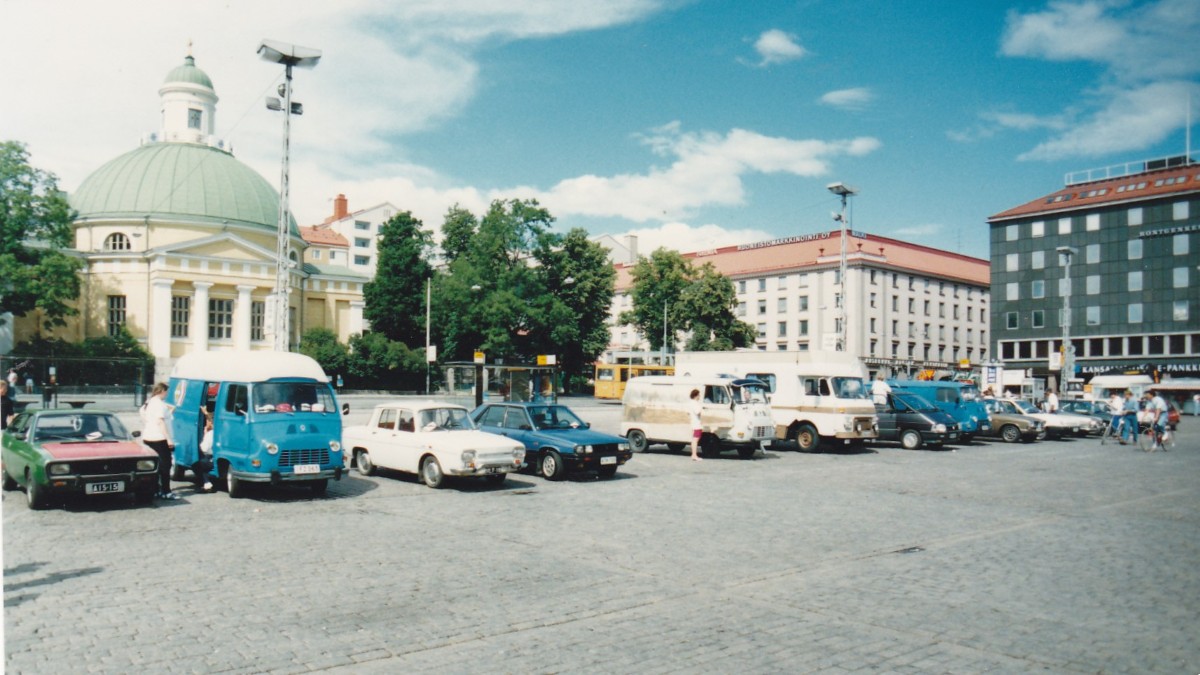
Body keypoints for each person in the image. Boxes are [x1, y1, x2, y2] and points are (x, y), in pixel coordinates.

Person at [141, 382, 178, 499]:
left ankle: (156, 490)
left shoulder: (149, 403)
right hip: (159, 438)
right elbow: (160, 421)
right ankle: (166, 491)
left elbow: (145, 416)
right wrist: (169, 439)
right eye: (166, 391)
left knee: (155, 465)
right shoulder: (159, 404)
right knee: (165, 465)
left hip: (148, 436)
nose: (167, 394)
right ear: (162, 391)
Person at [688, 388, 703, 462]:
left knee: (694, 439)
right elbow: (697, 412)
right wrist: (701, 408)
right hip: (697, 424)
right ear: (696, 395)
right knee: (695, 440)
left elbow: (688, 413)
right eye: (699, 395)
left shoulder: (690, 403)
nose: (699, 396)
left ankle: (693, 454)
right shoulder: (695, 403)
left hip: (693, 423)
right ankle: (694, 455)